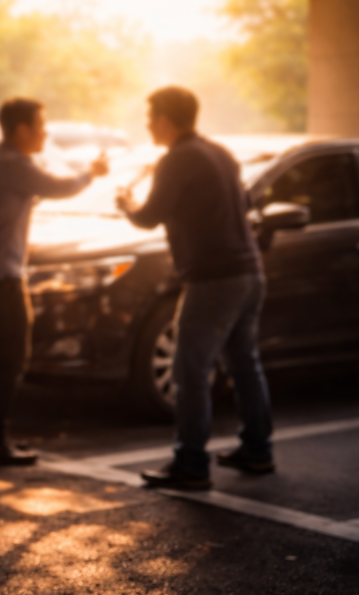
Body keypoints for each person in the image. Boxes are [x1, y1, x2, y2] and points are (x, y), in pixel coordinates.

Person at [116, 86, 273, 490]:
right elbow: (244, 203)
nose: (148, 124)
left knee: (190, 369)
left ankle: (190, 462)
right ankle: (257, 451)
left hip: (213, 279)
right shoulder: (220, 153)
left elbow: (149, 217)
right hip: (249, 273)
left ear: (167, 120)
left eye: (151, 117)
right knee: (245, 364)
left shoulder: (175, 159)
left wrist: (126, 204)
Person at [0, 97, 109, 466]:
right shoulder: (14, 164)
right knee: (10, 358)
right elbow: (61, 185)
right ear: (22, 130)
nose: (46, 132)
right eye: (41, 125)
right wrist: (93, 172)